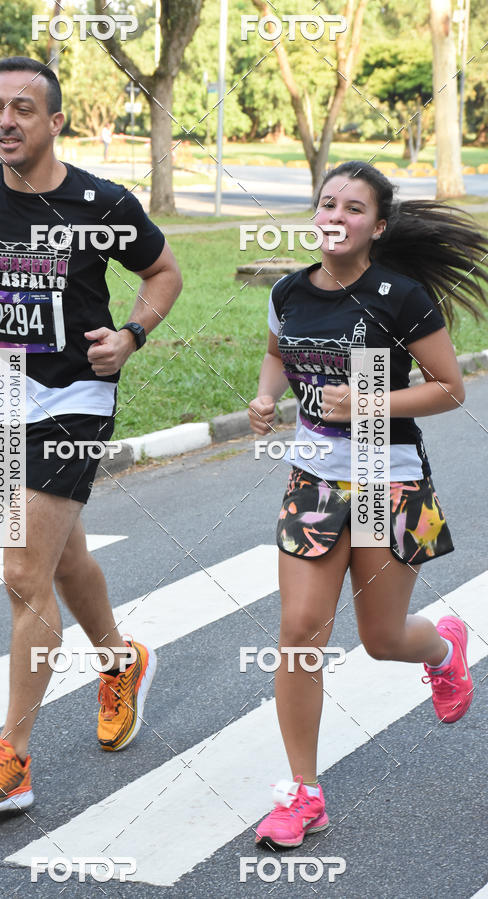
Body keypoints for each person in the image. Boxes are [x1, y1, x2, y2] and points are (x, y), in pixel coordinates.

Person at [0, 57, 182, 811]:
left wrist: (133, 332)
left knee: (20, 573)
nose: (5, 120)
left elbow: (163, 271)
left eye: (24, 109)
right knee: (62, 559)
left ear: (55, 122)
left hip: (75, 398)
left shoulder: (102, 201)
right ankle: (120, 659)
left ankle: (14, 757)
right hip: (4, 397)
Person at [248, 160, 488, 850]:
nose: (337, 215)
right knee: (299, 631)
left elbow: (450, 388)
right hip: (315, 480)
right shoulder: (290, 291)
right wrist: (267, 397)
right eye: (328, 202)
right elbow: (274, 354)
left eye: (354, 208)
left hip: (392, 478)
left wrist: (370, 400)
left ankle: (444, 647)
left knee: (382, 637)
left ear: (377, 226)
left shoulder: (402, 296)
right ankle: (303, 792)